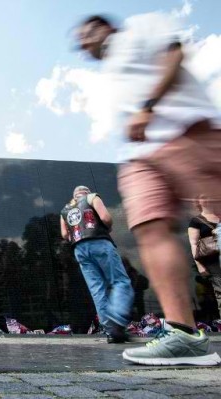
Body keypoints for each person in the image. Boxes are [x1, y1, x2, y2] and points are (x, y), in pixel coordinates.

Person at [75, 13, 221, 365]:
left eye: (86, 35)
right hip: (141, 157)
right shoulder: (106, 74)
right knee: (150, 229)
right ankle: (184, 335)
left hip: (188, 132)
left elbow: (174, 54)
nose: (82, 44)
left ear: (103, 27)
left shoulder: (140, 28)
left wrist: (148, 108)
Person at [60, 185, 134, 343]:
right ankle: (118, 320)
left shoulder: (65, 210)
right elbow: (106, 218)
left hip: (79, 248)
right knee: (120, 281)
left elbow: (65, 234)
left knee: (97, 289)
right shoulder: (92, 197)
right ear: (85, 193)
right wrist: (108, 227)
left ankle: (109, 330)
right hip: (99, 242)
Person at [188, 195, 221, 319]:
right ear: (198, 201)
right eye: (203, 197)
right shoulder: (196, 221)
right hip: (213, 262)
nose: (207, 199)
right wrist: (199, 265)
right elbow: (194, 244)